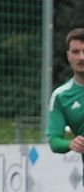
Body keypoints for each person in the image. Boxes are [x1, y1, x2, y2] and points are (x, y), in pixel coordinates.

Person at [47, 28, 84, 161]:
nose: (81, 57)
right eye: (76, 52)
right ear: (68, 56)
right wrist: (71, 143)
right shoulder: (60, 96)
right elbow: (54, 140)